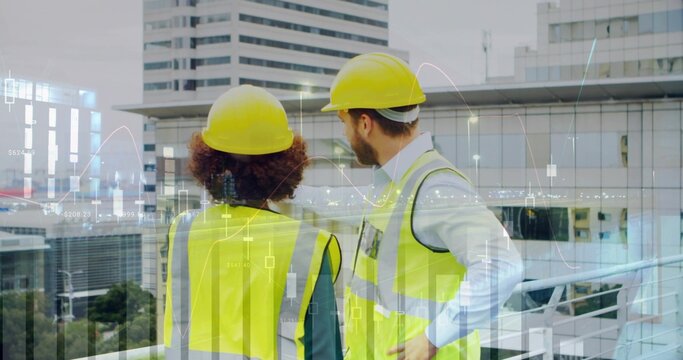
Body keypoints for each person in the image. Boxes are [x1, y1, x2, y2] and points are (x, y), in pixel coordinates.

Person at [294, 53, 524, 359]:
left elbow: (503, 266)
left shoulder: (435, 187)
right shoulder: (396, 182)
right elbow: (346, 202)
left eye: (343, 121)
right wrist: (288, 191)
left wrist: (433, 337)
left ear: (364, 123)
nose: (344, 134)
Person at [163, 85, 343, 360]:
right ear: (285, 164)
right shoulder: (306, 245)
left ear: (209, 161)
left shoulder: (184, 230)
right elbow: (324, 351)